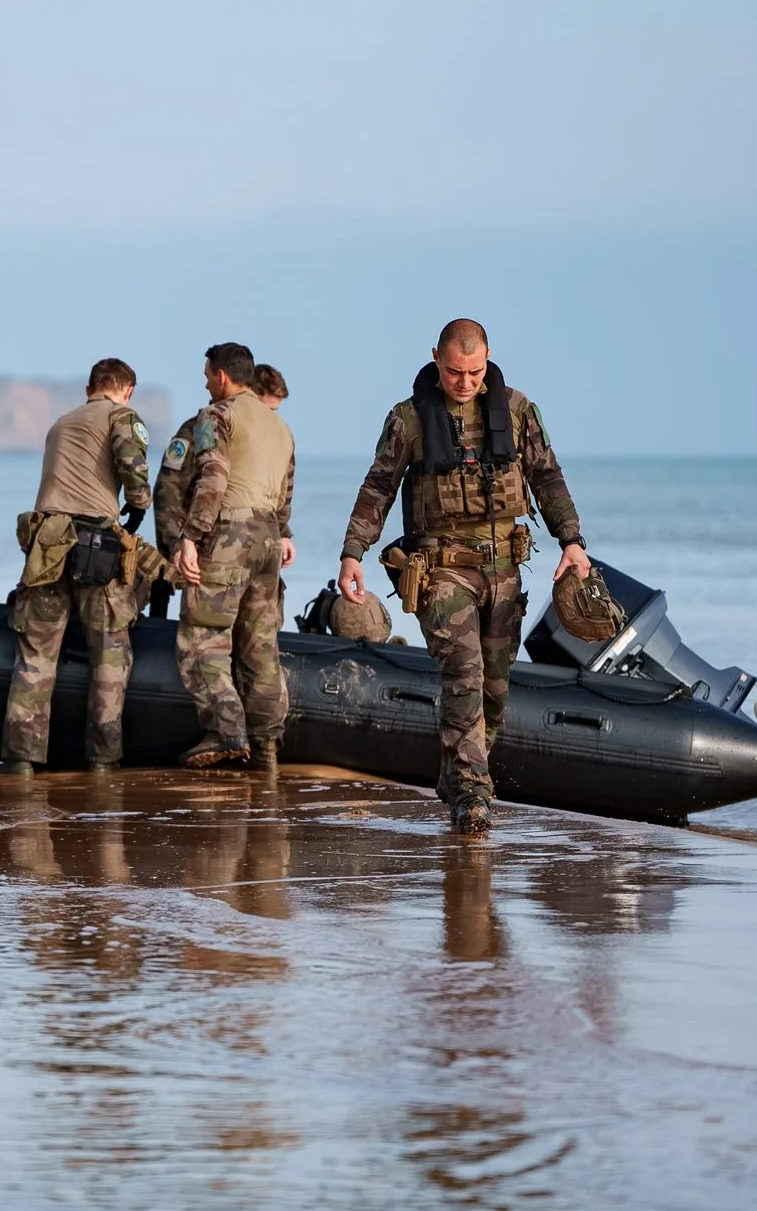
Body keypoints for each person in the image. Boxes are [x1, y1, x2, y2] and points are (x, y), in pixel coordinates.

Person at [336, 319, 589, 834]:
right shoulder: (408, 419)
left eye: (475, 372)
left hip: (504, 571)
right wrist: (352, 553)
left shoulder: (517, 411)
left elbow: (548, 477)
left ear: (489, 358)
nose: (465, 382)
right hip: (443, 572)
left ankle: (456, 776)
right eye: (454, 371)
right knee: (465, 676)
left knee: (495, 690)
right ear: (435, 358)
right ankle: (474, 795)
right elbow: (379, 486)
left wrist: (572, 542)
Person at [2, 359, 153, 774]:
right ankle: (103, 760)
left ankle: (20, 760)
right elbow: (133, 470)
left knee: (35, 655)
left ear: (89, 387)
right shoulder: (122, 416)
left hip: (47, 545)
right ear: (128, 390)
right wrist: (138, 510)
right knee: (110, 653)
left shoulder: (61, 423)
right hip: (95, 548)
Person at [172, 342, 297, 772]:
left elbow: (213, 477)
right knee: (261, 647)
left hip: (229, 533)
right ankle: (266, 747)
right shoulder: (281, 428)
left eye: (208, 376)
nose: (206, 384)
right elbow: (285, 491)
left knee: (203, 640)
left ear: (222, 376)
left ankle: (227, 733)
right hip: (268, 538)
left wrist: (190, 535)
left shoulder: (215, 416)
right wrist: (284, 533)